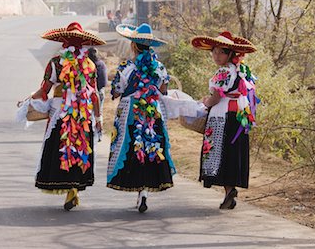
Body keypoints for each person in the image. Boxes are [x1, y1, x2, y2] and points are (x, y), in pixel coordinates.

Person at [31, 22, 105, 211]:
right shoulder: (90, 64)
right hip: (83, 114)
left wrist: (28, 100)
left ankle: (66, 186)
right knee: (80, 147)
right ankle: (74, 187)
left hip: (61, 113)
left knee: (60, 147)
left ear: (64, 41)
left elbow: (45, 89)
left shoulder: (56, 62)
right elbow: (94, 93)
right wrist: (98, 119)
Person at [107, 23, 176, 213]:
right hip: (152, 110)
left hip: (131, 111)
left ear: (134, 46)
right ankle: (144, 191)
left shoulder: (126, 67)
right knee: (151, 147)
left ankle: (139, 188)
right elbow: (163, 89)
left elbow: (117, 91)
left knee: (132, 148)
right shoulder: (159, 67)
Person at [191, 31, 258, 210]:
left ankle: (229, 191)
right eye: (214, 52)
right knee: (232, 153)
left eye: (221, 52)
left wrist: (205, 103)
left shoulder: (223, 71)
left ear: (230, 54)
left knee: (221, 153)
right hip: (238, 117)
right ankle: (230, 191)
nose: (216, 56)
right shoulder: (240, 69)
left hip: (223, 116)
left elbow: (216, 98)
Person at [88, 47, 108, 141]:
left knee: (90, 114)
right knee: (99, 113)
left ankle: (91, 132)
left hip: (91, 93)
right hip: (100, 92)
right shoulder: (101, 64)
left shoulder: (88, 66)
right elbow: (105, 81)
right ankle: (99, 134)